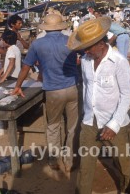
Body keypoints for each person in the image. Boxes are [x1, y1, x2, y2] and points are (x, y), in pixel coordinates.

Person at [67, 17, 130, 194]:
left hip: (115, 122)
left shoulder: (119, 61)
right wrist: (85, 114)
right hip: (90, 121)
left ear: (101, 44)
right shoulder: (87, 61)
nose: (86, 51)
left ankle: (128, 190)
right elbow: (87, 87)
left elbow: (126, 95)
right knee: (86, 165)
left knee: (123, 163)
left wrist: (114, 124)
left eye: (89, 47)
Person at [12, 14, 79, 172]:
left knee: (53, 125)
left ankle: (54, 159)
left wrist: (18, 85)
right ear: (62, 26)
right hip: (72, 87)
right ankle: (69, 161)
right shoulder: (70, 41)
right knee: (73, 126)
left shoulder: (37, 44)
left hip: (53, 90)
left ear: (45, 28)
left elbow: (26, 67)